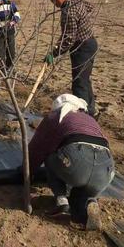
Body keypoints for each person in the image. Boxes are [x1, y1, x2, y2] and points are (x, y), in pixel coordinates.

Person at [29, 93, 115, 230]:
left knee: (49, 154)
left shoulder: (54, 117)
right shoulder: (90, 119)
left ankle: (61, 201)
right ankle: (89, 202)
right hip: (106, 171)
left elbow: (35, 150)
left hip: (78, 163)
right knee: (80, 191)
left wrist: (26, 173)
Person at [45, 0, 98, 116]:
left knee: (79, 83)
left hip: (82, 47)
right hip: (90, 43)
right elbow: (90, 7)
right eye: (51, 0)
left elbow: (68, 39)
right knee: (84, 79)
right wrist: (83, 21)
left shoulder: (68, 11)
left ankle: (83, 116)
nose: (54, 2)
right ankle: (92, 111)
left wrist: (54, 54)